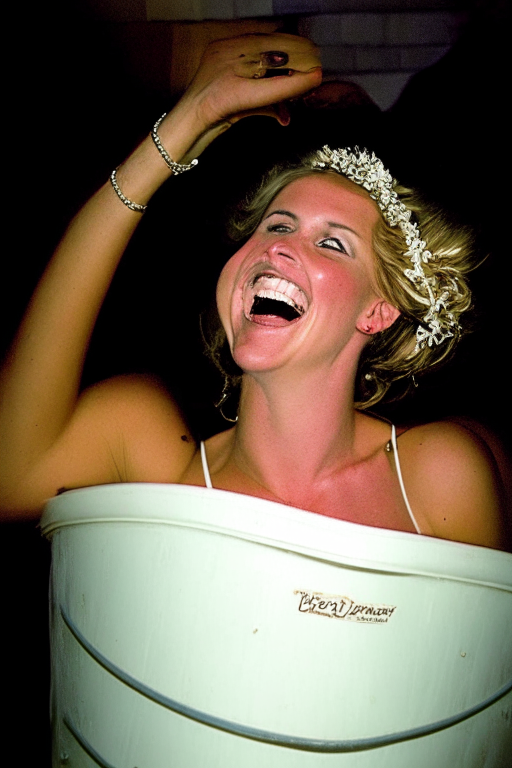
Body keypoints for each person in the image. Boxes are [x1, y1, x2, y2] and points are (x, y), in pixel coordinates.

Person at [0, 32, 507, 551]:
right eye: (277, 226)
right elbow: (12, 478)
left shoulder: (437, 476)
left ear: (379, 311)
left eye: (332, 242)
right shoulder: (155, 458)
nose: (280, 249)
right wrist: (182, 128)